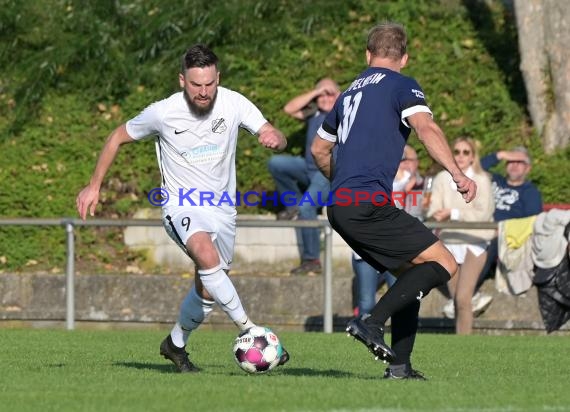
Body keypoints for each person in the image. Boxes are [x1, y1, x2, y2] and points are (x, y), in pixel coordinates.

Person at [76, 44, 289, 373]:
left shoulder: (234, 103)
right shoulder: (162, 112)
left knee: (208, 286)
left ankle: (175, 344)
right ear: (181, 80)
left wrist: (274, 135)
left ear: (218, 78)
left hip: (223, 209)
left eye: (209, 84)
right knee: (205, 255)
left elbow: (270, 131)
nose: (203, 92)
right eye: (195, 84)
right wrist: (94, 185)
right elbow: (116, 137)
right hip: (180, 205)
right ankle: (251, 330)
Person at [312, 22, 477, 380]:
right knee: (445, 263)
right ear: (404, 57)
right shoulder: (403, 85)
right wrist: (457, 173)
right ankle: (371, 323)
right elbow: (426, 128)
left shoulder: (348, 93)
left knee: (410, 276)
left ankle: (400, 367)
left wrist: (340, 183)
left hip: (340, 205)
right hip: (367, 202)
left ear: (367, 55)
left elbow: (319, 148)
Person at [268, 78, 341, 276]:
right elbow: (289, 109)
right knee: (276, 163)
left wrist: (336, 95)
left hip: (326, 173)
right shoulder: (313, 112)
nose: (325, 97)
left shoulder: (343, 113)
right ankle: (291, 205)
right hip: (307, 168)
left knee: (307, 207)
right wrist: (316, 93)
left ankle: (312, 260)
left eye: (330, 93)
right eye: (321, 94)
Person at [426, 137, 495, 333]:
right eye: (457, 152)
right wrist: (437, 214)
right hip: (449, 242)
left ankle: (465, 343)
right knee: (456, 298)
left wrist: (452, 213)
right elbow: (433, 210)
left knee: (463, 298)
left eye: (466, 152)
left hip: (475, 241)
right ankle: (460, 343)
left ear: (473, 157)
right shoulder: (441, 179)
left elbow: (483, 214)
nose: (461, 156)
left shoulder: (483, 180)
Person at [351, 145, 422, 316]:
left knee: (398, 297)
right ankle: (363, 335)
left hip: (393, 247)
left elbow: (416, 184)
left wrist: (411, 179)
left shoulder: (406, 179)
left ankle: (396, 340)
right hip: (366, 247)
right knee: (366, 302)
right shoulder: (361, 179)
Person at [478, 146, 543, 283]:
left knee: (490, 244)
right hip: (478, 228)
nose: (514, 165)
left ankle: (463, 294)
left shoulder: (530, 192)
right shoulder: (495, 180)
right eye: (511, 160)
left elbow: (532, 224)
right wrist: (500, 154)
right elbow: (474, 170)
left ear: (528, 168)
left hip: (504, 237)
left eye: (520, 162)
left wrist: (502, 229)